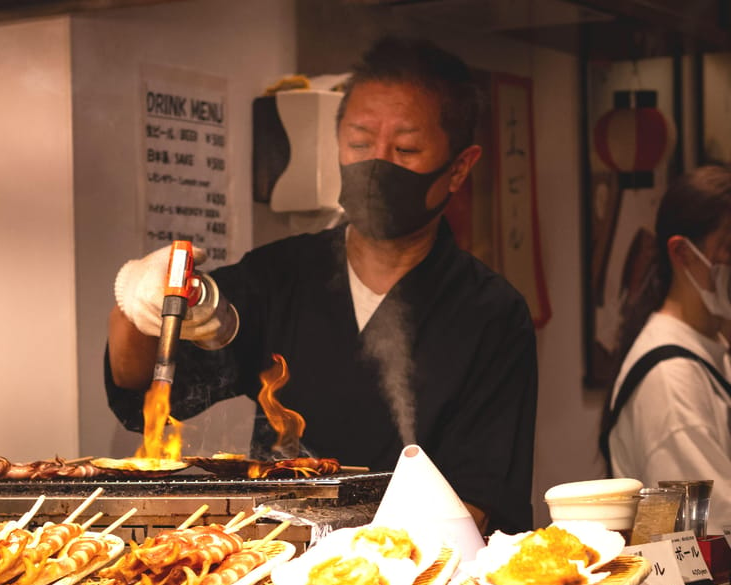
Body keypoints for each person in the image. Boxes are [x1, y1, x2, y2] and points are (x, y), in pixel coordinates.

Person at [106, 37, 537, 535]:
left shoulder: (491, 313)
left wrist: (359, 563)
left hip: (417, 579)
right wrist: (134, 301)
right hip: (273, 564)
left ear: (459, 167)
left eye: (406, 149)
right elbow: (143, 392)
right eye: (359, 143)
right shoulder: (280, 275)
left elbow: (481, 500)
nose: (376, 165)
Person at [601, 165, 731, 536]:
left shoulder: (712, 349)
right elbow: (714, 528)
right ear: (683, 253)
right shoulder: (670, 377)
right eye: (728, 247)